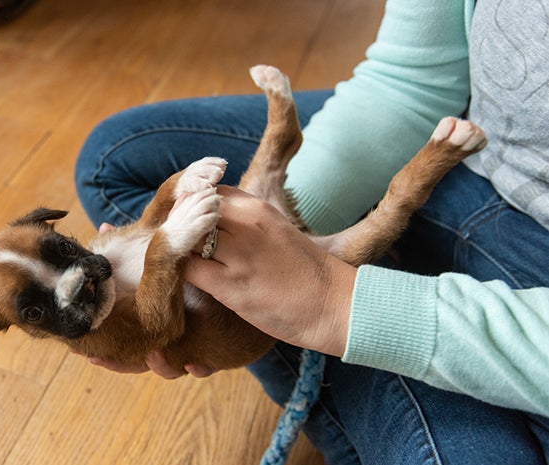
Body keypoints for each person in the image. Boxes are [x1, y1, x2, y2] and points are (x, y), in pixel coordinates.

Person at [74, 0, 549, 463]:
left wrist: (332, 303)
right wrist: (277, 228)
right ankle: (316, 319)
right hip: (475, 138)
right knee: (113, 158)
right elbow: (411, 80)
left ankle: (330, 354)